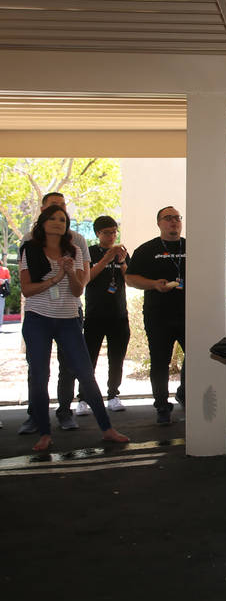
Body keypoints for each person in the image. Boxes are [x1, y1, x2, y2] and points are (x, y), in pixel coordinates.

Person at [18, 205, 129, 451]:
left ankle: (107, 428)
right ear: (43, 223)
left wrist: (69, 273)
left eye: (62, 219)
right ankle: (45, 433)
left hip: (69, 319)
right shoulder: (31, 250)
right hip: (38, 319)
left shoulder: (76, 250)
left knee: (85, 373)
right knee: (39, 375)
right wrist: (55, 279)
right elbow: (27, 290)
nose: (58, 222)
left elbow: (79, 289)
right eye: (53, 218)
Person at [19, 191, 90, 434]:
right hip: (40, 313)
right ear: (43, 210)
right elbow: (27, 281)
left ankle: (64, 412)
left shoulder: (77, 240)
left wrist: (74, 285)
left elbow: (84, 275)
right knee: (37, 368)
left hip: (70, 312)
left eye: (62, 209)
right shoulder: (29, 240)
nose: (59, 216)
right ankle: (35, 416)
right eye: (53, 208)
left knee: (68, 365)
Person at [125, 206, 186, 425]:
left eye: (177, 218)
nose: (174, 222)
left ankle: (186, 395)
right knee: (160, 362)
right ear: (159, 223)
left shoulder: (191, 245)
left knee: (198, 358)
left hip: (189, 315)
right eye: (168, 218)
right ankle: (162, 406)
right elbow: (130, 278)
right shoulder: (147, 249)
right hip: (159, 315)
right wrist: (153, 284)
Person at [76, 216, 129, 415]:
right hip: (95, 315)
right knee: (89, 358)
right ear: (97, 234)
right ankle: (83, 397)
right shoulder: (89, 252)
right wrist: (105, 259)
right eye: (107, 232)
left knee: (117, 358)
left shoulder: (122, 252)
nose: (112, 236)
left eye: (114, 232)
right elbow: (86, 279)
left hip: (119, 315)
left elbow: (130, 279)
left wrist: (122, 262)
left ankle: (113, 395)